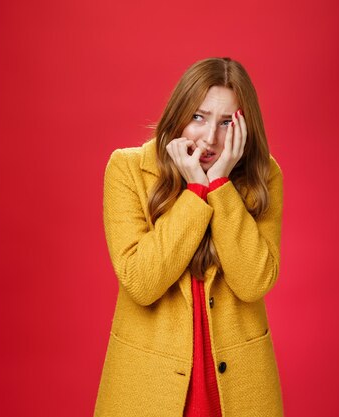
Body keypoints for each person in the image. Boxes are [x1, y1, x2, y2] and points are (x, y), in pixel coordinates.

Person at [94, 57, 284, 417]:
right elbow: (141, 282)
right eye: (199, 116)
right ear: (179, 113)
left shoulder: (264, 176)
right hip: (149, 390)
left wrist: (221, 186)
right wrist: (195, 190)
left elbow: (254, 282)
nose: (210, 138)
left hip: (236, 393)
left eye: (227, 122)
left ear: (245, 127)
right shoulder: (127, 169)